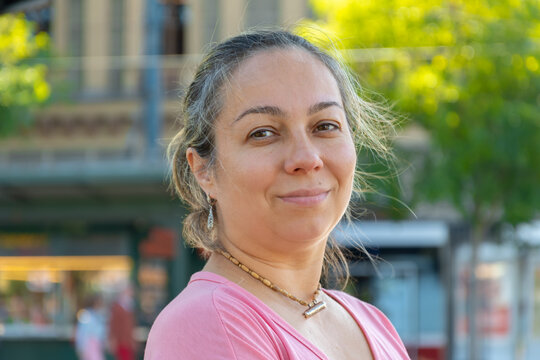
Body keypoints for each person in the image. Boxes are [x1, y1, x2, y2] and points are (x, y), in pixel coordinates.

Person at [144, 29, 410, 359]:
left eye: (325, 126)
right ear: (204, 170)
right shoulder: (208, 323)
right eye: (263, 133)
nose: (307, 158)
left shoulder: (373, 323)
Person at [108, 285, 136, 360]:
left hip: (128, 342)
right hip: (121, 342)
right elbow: (113, 325)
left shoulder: (128, 307)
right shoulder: (117, 308)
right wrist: (113, 340)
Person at [75, 295, 106, 360]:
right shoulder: (86, 315)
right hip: (89, 346)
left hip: (97, 346)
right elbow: (82, 332)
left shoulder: (99, 315)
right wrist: (81, 347)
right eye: (99, 302)